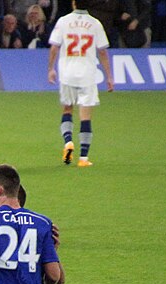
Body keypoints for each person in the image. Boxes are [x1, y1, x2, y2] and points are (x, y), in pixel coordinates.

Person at [48, 0, 114, 167]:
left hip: (67, 73)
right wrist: (109, 76)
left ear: (74, 3)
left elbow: (54, 47)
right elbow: (103, 51)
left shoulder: (63, 21)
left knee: (67, 109)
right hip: (87, 74)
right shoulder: (95, 23)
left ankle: (68, 142)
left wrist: (51, 68)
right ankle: (83, 158)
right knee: (85, 115)